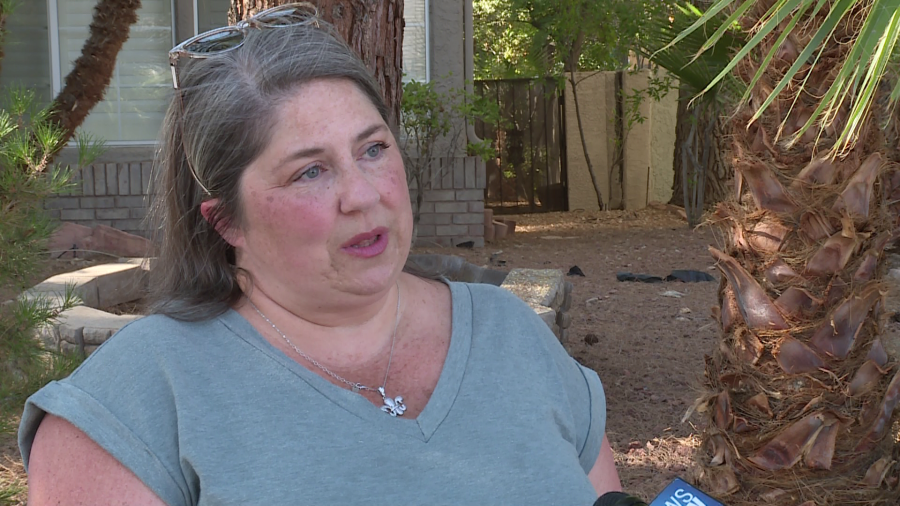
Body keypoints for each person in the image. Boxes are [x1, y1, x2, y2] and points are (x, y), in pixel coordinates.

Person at [19, 4, 621, 504]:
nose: (363, 196)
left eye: (374, 149)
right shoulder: (129, 408)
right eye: (310, 171)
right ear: (227, 221)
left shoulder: (511, 334)